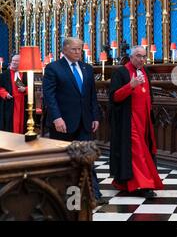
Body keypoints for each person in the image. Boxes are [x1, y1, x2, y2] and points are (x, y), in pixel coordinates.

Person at [42, 37, 104, 204]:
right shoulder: (53, 68)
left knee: (87, 157)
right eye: (74, 49)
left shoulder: (87, 68)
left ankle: (93, 194)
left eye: (80, 49)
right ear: (64, 50)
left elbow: (91, 95)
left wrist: (94, 116)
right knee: (67, 160)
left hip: (85, 122)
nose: (78, 52)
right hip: (63, 123)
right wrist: (57, 118)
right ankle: (69, 198)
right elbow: (50, 96)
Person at [109, 45, 163, 198]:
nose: (142, 59)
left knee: (143, 151)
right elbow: (114, 97)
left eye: (144, 56)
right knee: (137, 152)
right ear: (131, 57)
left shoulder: (145, 72)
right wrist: (130, 86)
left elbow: (148, 96)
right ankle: (144, 185)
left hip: (144, 122)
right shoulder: (120, 73)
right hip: (129, 122)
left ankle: (125, 182)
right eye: (138, 56)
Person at [0, 54, 27, 133]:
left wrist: (25, 89)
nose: (14, 62)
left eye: (16, 61)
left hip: (22, 103)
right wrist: (5, 94)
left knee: (22, 124)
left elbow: (31, 87)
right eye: (13, 61)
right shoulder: (4, 75)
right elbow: (0, 88)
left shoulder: (25, 74)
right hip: (10, 103)